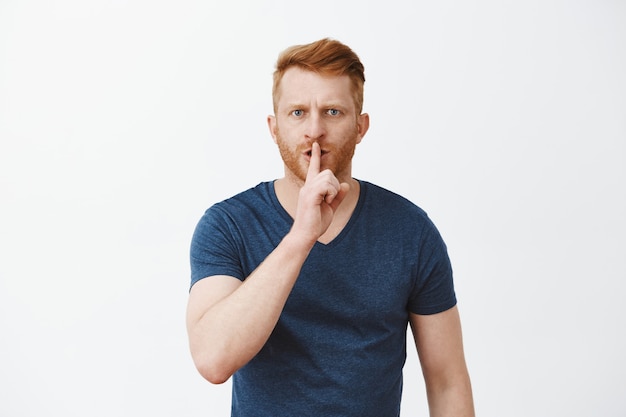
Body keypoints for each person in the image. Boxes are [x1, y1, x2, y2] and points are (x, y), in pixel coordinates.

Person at [186, 37, 475, 416]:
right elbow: (213, 359)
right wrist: (301, 237)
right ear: (274, 128)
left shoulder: (412, 232)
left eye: (333, 112)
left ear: (360, 126)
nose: (315, 129)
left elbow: (447, 382)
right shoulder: (228, 226)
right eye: (298, 113)